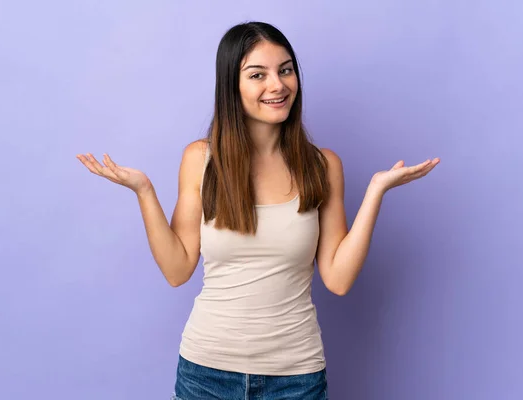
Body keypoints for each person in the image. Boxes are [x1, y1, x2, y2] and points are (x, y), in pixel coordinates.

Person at [77, 21, 439, 400]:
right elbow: (177, 268)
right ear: (232, 86)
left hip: (296, 378)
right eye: (257, 74)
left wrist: (376, 193)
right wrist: (144, 192)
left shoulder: (322, 165)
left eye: (285, 70)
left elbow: (339, 279)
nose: (277, 85)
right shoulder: (201, 160)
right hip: (206, 374)